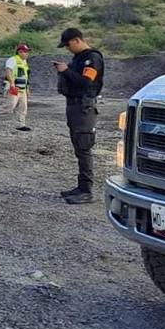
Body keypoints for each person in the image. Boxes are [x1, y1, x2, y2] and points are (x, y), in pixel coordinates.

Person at [54, 27, 105, 204]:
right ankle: (81, 187)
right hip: (75, 107)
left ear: (77, 40)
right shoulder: (78, 59)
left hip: (84, 108)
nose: (68, 49)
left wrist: (66, 71)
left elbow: (85, 83)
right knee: (78, 148)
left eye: (68, 45)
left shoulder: (92, 58)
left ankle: (87, 190)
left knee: (84, 148)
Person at [0, 44, 32, 131]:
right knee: (10, 106)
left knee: (23, 107)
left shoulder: (24, 62)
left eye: (27, 52)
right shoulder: (12, 60)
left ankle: (20, 124)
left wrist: (27, 89)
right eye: (26, 52)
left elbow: (26, 76)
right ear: (20, 52)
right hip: (14, 88)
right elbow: (8, 72)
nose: (27, 54)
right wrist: (12, 84)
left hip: (22, 89)